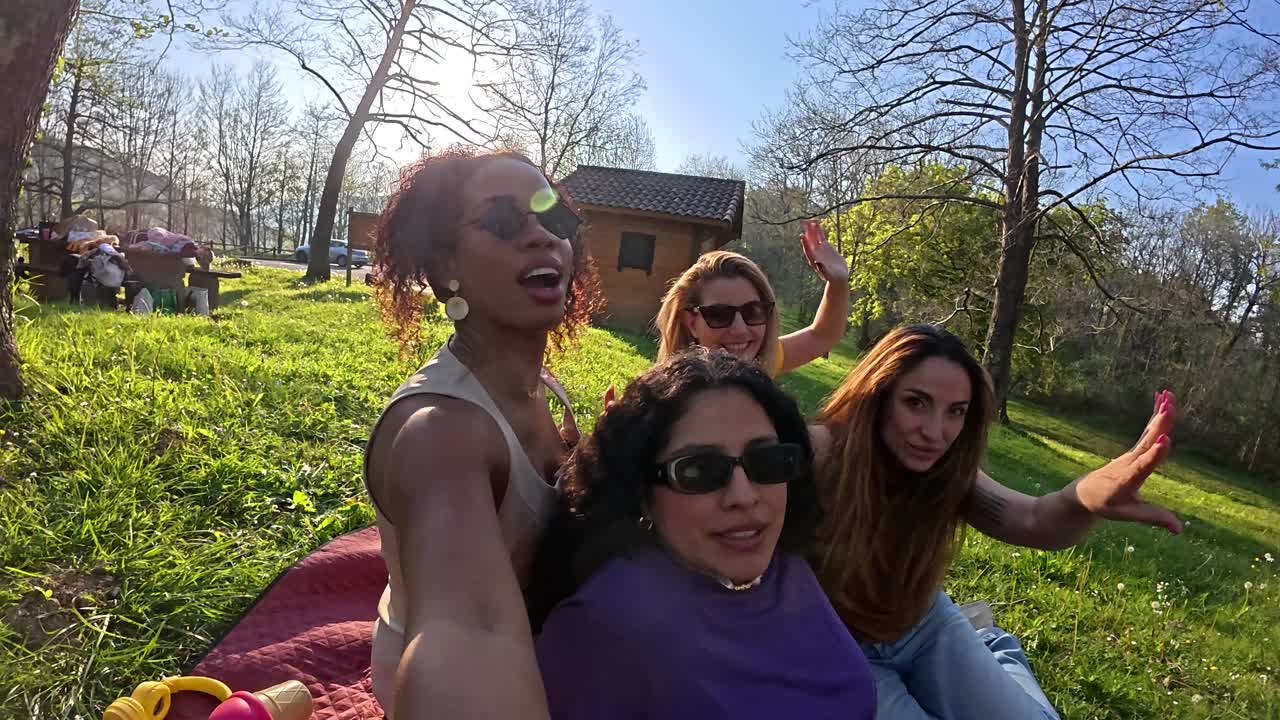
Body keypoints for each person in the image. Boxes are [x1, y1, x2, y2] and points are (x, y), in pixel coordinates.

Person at [811, 324, 1179, 720]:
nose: (934, 432)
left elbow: (1036, 520)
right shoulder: (819, 454)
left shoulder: (949, 474)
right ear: (878, 395)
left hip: (922, 624)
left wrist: (1086, 497)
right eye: (916, 402)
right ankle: (989, 645)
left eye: (956, 412)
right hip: (839, 648)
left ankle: (992, 644)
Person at [363, 147, 601, 719]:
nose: (543, 236)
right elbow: (472, 632)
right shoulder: (440, 433)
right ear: (446, 266)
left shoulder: (544, 384)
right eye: (502, 219)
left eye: (555, 219)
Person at [535, 349, 876, 720]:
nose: (744, 496)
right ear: (641, 492)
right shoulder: (603, 629)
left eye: (767, 461)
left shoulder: (784, 566)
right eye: (698, 471)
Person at [654, 219, 850, 376]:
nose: (740, 330)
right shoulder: (664, 401)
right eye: (720, 314)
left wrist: (838, 283)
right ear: (691, 323)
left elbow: (822, 336)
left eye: (753, 312)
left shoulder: (762, 362)